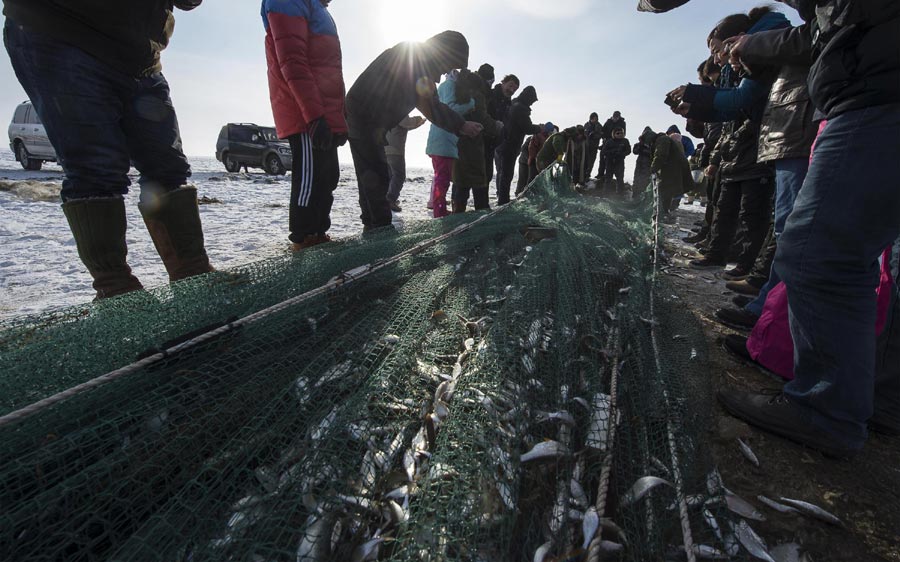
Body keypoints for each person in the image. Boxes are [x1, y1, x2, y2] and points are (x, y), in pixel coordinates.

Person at [716, 0, 900, 458]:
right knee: (869, 260)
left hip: (875, 98)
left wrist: (752, 45)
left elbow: (819, 30)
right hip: (873, 94)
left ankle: (826, 408)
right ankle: (873, 399)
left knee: (818, 251)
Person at [2, 0, 214, 299]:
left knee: (168, 167)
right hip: (61, 30)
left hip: (140, 54)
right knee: (96, 168)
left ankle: (193, 273)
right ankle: (116, 289)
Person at [344, 31, 483, 231]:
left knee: (372, 176)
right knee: (376, 177)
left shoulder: (419, 61)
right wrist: (462, 125)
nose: (447, 70)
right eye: (451, 63)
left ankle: (373, 226)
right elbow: (432, 107)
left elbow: (429, 105)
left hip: (367, 121)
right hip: (363, 119)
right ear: (444, 53)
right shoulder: (415, 62)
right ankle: (379, 229)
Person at [262, 0, 348, 251]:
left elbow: (329, 71)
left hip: (324, 114)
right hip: (305, 114)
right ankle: (303, 238)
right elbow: (293, 61)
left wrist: (338, 120)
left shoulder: (320, 10)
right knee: (310, 178)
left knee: (328, 175)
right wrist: (314, 117)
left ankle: (319, 232)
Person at [451, 69, 502, 212]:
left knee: (461, 182)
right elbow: (482, 118)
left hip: (456, 143)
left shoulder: (457, 94)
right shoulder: (477, 96)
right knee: (478, 181)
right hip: (473, 144)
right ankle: (482, 212)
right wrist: (497, 126)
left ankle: (457, 213)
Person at [425, 71, 475, 218]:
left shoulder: (448, 85)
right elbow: (450, 109)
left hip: (445, 140)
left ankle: (439, 209)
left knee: (443, 178)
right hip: (442, 140)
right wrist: (470, 104)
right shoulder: (448, 85)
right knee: (442, 179)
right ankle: (439, 212)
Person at [494, 85, 541, 205]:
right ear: (528, 98)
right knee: (506, 174)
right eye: (532, 100)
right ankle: (503, 201)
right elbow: (527, 128)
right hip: (510, 145)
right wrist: (539, 128)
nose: (532, 103)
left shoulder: (513, 103)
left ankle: (501, 198)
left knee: (501, 172)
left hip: (500, 143)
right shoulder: (521, 108)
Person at [384, 115, 426, 212]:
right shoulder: (399, 110)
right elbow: (406, 122)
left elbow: (405, 126)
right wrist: (418, 119)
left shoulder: (387, 111)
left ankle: (387, 199)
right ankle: (390, 199)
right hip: (395, 150)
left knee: (390, 176)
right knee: (399, 176)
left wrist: (418, 124)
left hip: (386, 149)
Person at [648, 131, 692, 221]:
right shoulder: (664, 139)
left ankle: (663, 213)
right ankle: (664, 212)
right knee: (667, 190)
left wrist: (653, 168)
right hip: (674, 168)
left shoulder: (662, 140)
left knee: (665, 190)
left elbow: (660, 155)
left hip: (673, 169)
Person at [485, 74, 520, 184]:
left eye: (514, 89)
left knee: (487, 175)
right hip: (481, 140)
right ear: (503, 82)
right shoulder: (490, 95)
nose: (511, 90)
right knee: (476, 175)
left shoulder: (508, 104)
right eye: (510, 86)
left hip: (494, 143)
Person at [600, 127, 631, 196]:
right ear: (614, 134)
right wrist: (612, 152)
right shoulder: (609, 141)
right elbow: (604, 151)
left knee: (620, 179)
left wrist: (621, 153)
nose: (620, 135)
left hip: (619, 161)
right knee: (608, 178)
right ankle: (606, 194)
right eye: (618, 133)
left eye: (622, 133)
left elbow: (628, 150)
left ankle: (620, 195)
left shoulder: (625, 141)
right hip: (610, 161)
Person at [631, 126, 657, 195]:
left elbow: (653, 154)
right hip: (640, 164)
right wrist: (641, 145)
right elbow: (635, 151)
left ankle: (643, 194)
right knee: (636, 179)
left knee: (645, 180)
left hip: (647, 164)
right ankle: (635, 194)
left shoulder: (652, 145)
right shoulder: (639, 144)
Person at [584, 113, 603, 181]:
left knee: (591, 161)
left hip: (594, 146)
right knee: (585, 161)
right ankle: (583, 175)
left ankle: (588, 175)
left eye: (596, 118)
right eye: (594, 118)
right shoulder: (586, 125)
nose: (595, 120)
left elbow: (601, 135)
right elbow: (584, 134)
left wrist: (594, 135)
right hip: (586, 146)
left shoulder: (599, 126)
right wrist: (588, 134)